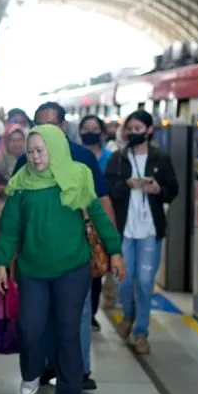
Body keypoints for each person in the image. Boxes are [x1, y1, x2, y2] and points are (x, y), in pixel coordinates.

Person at [0, 124, 124, 394]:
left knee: (68, 330)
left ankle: (68, 392)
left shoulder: (77, 177)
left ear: (55, 149)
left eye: (41, 151)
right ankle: (30, 374)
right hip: (32, 269)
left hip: (72, 268)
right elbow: (10, 229)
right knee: (30, 327)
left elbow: (100, 218)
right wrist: (1, 263)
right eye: (30, 152)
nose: (36, 158)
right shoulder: (21, 184)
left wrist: (115, 251)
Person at [12, 101, 116, 390]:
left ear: (63, 126)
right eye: (39, 125)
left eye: (51, 125)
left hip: (74, 253)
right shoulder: (26, 161)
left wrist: (111, 246)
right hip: (35, 256)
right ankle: (45, 366)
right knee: (39, 316)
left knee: (77, 314)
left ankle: (78, 372)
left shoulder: (82, 158)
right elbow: (15, 210)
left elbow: (101, 201)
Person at [105, 110, 179, 354]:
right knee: (123, 279)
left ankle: (141, 332)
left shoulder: (161, 158)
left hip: (149, 230)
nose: (133, 133)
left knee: (145, 282)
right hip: (124, 230)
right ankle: (128, 313)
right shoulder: (118, 159)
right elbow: (107, 190)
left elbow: (173, 190)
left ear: (148, 131)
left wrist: (158, 190)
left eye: (138, 129)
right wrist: (126, 186)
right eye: (130, 129)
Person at [78, 115, 113, 332]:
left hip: (98, 219)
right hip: (79, 219)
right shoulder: (75, 156)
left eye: (94, 128)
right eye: (86, 128)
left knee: (97, 267)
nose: (90, 132)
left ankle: (90, 313)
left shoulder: (110, 157)